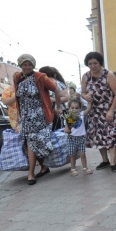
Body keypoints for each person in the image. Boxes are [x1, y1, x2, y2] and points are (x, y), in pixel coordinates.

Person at [13, 54, 62, 185]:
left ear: (33, 66)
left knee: (32, 141)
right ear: (20, 65)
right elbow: (18, 99)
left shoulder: (40, 77)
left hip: (39, 116)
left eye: (29, 64)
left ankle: (30, 174)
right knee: (29, 142)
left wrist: (58, 106)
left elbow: (55, 89)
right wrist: (18, 116)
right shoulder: (17, 77)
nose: (27, 67)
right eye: (24, 64)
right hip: (25, 116)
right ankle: (44, 167)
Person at [81, 52, 116, 172]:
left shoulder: (109, 75)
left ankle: (113, 162)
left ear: (100, 63)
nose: (93, 66)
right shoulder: (86, 76)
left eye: (95, 63)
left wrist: (111, 111)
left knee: (111, 135)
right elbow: (82, 92)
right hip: (95, 111)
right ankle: (105, 160)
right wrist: (85, 96)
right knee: (99, 136)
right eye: (90, 64)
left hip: (110, 109)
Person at [64, 98, 93, 176]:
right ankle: (73, 169)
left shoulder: (81, 114)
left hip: (81, 138)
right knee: (72, 154)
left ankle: (85, 168)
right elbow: (66, 129)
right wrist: (68, 130)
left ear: (80, 108)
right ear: (69, 108)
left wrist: (89, 103)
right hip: (71, 138)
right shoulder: (68, 118)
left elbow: (87, 110)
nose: (74, 110)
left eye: (77, 108)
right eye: (72, 108)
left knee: (82, 154)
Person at [38, 66, 69, 130]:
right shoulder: (42, 83)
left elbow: (66, 98)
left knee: (58, 131)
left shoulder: (58, 83)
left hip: (58, 112)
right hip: (48, 112)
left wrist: (53, 100)